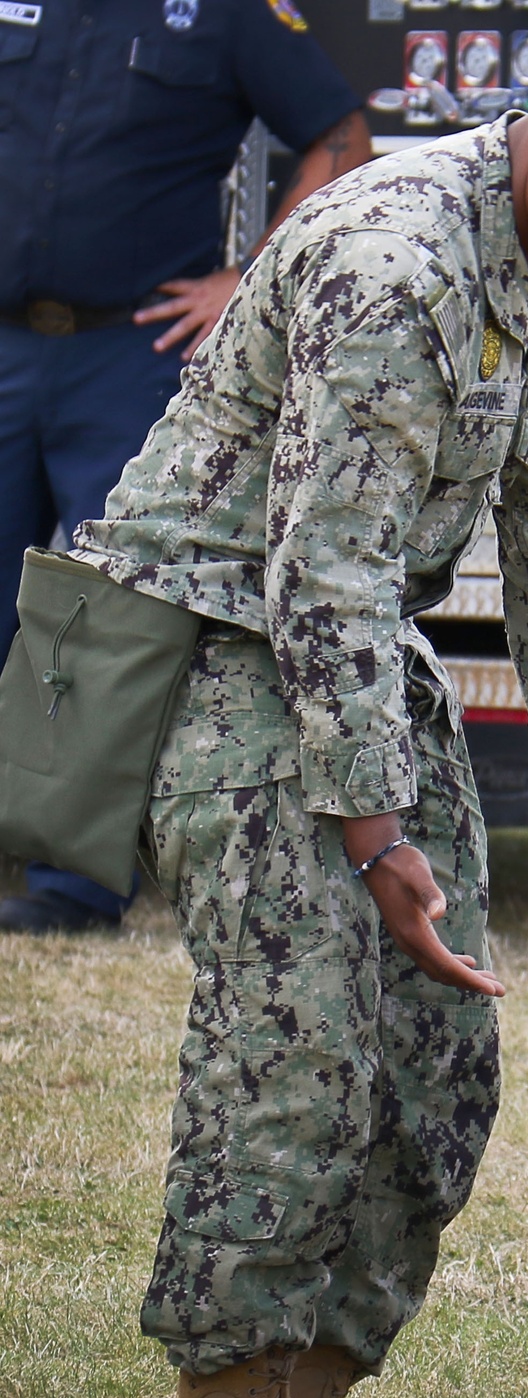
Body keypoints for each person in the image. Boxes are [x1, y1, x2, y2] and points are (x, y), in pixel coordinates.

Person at [71, 0, 528, 1395]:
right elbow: (324, 567)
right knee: (293, 1085)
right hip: (229, 648)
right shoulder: (394, 256)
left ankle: (313, 1378)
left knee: (435, 1085)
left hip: (352, 659)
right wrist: (376, 837)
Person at [0, 0, 371, 934]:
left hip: (128, 355)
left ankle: (71, 885)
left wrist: (248, 282)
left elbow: (341, 138)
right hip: (4, 342)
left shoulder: (223, 12)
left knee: (102, 627)